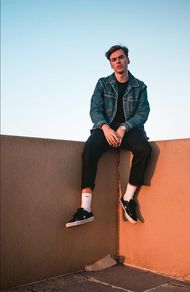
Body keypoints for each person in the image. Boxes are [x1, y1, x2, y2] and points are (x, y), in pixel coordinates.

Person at [66, 45, 152, 228]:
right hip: (105, 130)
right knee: (90, 149)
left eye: (121, 57)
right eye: (114, 60)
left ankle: (128, 199)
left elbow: (143, 113)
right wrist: (105, 128)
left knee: (144, 149)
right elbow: (95, 110)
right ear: (111, 65)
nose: (118, 62)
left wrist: (124, 127)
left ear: (128, 60)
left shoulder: (140, 86)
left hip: (128, 131)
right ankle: (85, 209)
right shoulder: (102, 84)